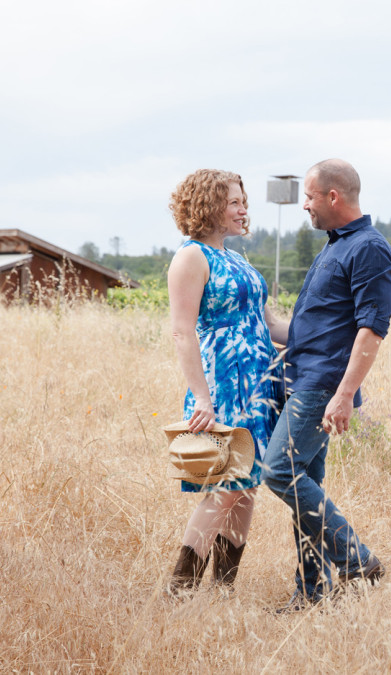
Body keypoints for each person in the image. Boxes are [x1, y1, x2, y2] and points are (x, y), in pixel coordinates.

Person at [262, 158, 391, 610]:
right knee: (305, 485)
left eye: (310, 196)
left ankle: (357, 558)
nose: (304, 205)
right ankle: (313, 592)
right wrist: (258, 316)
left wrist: (343, 395)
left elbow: (372, 329)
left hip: (322, 386)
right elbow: (304, 332)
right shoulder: (333, 247)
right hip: (303, 378)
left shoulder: (369, 249)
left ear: (333, 197)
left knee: (279, 472)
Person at [164, 169, 289, 598]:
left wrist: (326, 337)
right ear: (210, 204)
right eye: (234, 201)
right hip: (224, 384)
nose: (243, 208)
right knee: (226, 487)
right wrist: (202, 395)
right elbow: (183, 331)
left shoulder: (238, 259)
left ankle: (222, 594)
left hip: (260, 382)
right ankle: (178, 592)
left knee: (248, 487)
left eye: (243, 200)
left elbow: (268, 322)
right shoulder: (191, 257)